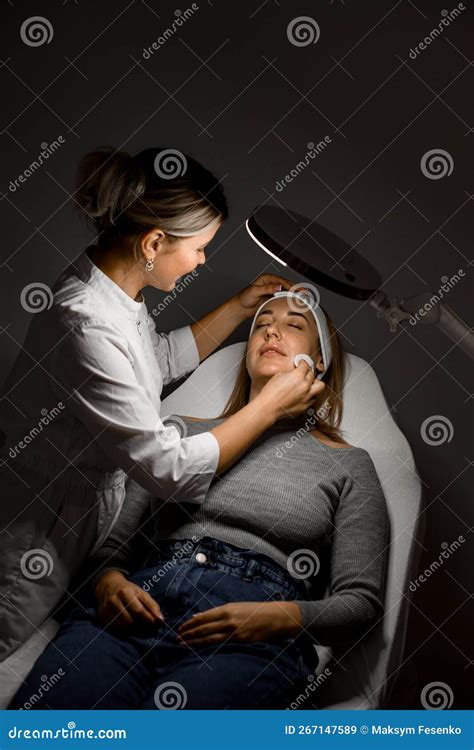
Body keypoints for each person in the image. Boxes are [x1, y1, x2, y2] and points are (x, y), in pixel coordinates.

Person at [0, 147, 323, 661]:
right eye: (199, 247)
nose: (202, 261)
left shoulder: (116, 290)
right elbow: (166, 468)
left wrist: (240, 307)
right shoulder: (84, 322)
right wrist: (266, 410)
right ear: (154, 243)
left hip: (78, 519)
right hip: (31, 531)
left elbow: (156, 358)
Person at [9, 292, 390, 710]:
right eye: (261, 323)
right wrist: (110, 582)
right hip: (139, 608)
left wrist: (277, 618)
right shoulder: (179, 434)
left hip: (252, 635)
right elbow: (111, 549)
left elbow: (360, 605)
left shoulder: (349, 465)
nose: (271, 330)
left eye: (294, 325)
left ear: (319, 363)